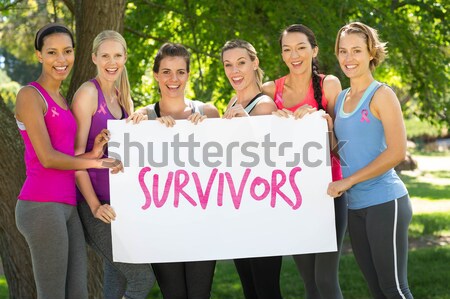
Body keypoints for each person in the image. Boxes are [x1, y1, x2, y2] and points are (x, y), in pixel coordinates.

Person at [14, 23, 123, 299]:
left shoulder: (61, 98)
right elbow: (48, 158)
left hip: (67, 205)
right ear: (39, 55)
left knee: (78, 293)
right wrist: (96, 164)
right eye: (52, 52)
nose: (61, 60)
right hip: (41, 205)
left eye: (67, 51)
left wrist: (95, 152)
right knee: (52, 294)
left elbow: (70, 155)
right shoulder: (30, 95)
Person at [328, 22, 413, 299]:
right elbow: (342, 149)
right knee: (377, 291)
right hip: (356, 207)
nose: (348, 59)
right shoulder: (340, 98)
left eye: (356, 51)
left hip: (386, 202)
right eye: (343, 51)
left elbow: (397, 152)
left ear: (371, 53)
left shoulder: (382, 94)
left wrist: (348, 181)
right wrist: (324, 126)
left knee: (395, 289)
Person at [263, 24, 347, 299]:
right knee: (309, 283)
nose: (294, 55)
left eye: (301, 47)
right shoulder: (269, 91)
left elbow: (342, 147)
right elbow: (242, 121)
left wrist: (327, 123)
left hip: (329, 193)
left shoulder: (329, 84)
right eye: (287, 49)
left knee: (325, 279)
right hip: (292, 197)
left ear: (314, 50)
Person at [71, 30, 155, 299]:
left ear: (125, 57)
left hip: (121, 207)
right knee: (142, 278)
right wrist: (95, 206)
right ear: (94, 57)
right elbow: (74, 159)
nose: (111, 62)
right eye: (105, 55)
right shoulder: (87, 94)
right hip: (94, 206)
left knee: (116, 280)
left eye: (117, 55)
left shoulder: (123, 98)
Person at [132, 42, 219, 299]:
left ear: (188, 75)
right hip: (161, 229)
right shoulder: (143, 118)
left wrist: (208, 131)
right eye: (167, 71)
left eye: (180, 71)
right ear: (156, 75)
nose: (174, 79)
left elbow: (230, 166)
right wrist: (150, 132)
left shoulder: (208, 113)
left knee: (200, 295)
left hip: (201, 226)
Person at [221, 39, 280, 299]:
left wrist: (247, 127)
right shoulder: (232, 104)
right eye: (228, 65)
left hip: (263, 216)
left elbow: (268, 159)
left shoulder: (264, 105)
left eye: (241, 63)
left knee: (266, 291)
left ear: (254, 63)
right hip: (238, 212)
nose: (235, 71)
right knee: (250, 291)